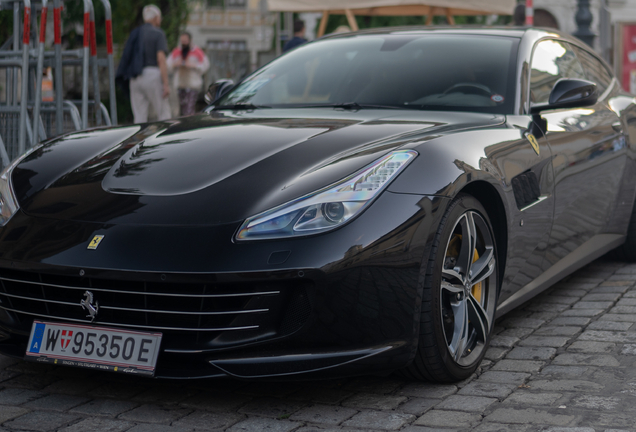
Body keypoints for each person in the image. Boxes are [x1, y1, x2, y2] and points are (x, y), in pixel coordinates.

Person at [123, 5, 171, 123]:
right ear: (156, 18)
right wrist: (166, 84)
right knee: (163, 113)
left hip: (135, 77)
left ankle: (140, 140)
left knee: (139, 116)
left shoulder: (135, 33)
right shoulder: (158, 33)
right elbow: (161, 59)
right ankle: (166, 140)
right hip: (152, 74)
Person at [167, 32, 210, 116]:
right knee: (181, 110)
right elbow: (168, 65)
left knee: (189, 109)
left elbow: (206, 65)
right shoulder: (177, 51)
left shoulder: (197, 52)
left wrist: (194, 66)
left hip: (192, 85)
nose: (183, 43)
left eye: (185, 41)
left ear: (190, 41)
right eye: (182, 41)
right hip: (180, 84)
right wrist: (175, 65)